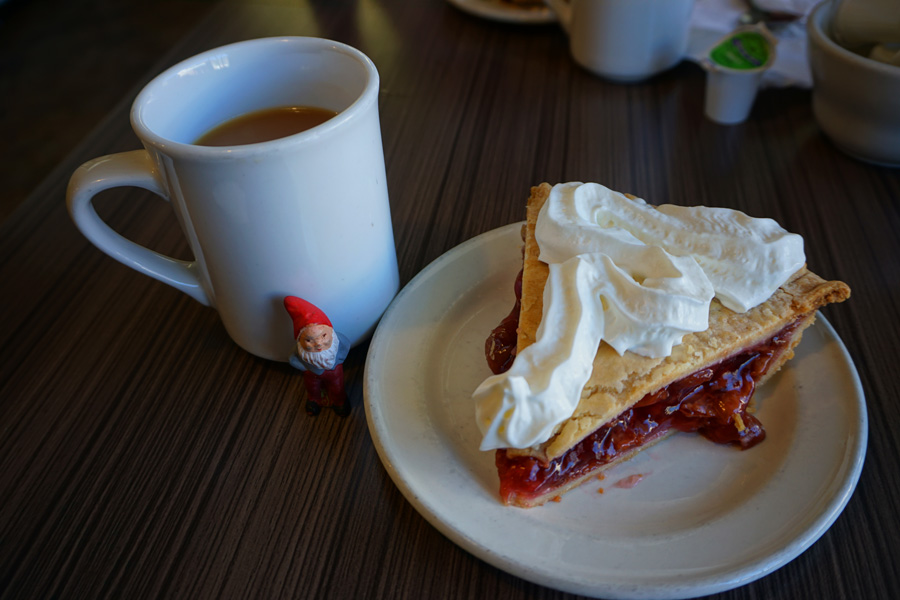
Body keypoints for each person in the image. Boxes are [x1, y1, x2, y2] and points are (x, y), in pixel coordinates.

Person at [283, 296, 351, 416]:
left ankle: (339, 402)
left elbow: (346, 345)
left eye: (323, 336)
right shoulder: (300, 352)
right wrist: (306, 367)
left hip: (334, 371)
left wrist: (339, 360)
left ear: (330, 331)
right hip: (311, 374)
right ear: (300, 340)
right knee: (312, 387)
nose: (319, 343)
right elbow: (293, 359)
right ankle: (314, 400)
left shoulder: (338, 340)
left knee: (337, 386)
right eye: (309, 340)